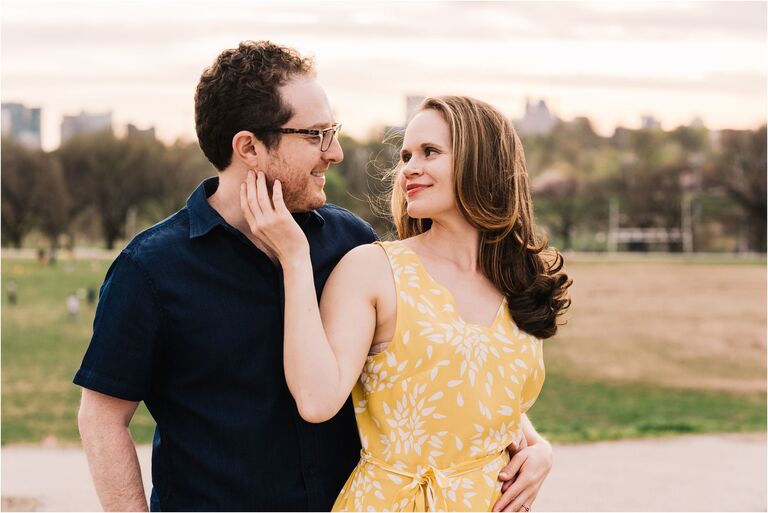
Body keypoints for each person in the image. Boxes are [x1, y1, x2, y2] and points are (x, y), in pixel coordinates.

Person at [74, 41, 552, 511]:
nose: (336, 152)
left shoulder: (350, 241)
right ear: (250, 148)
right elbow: (102, 419)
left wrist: (532, 444)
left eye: (333, 131)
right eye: (316, 135)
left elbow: (428, 366)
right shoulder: (152, 269)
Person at [241, 95, 571, 511]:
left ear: (482, 161)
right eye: (406, 155)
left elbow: (474, 393)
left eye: (429, 152)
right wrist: (293, 257)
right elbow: (316, 400)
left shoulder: (517, 279)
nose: (409, 168)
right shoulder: (374, 269)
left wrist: (540, 448)